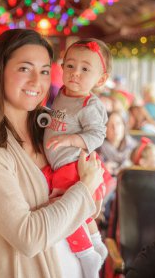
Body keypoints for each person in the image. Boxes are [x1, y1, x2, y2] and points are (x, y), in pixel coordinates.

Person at [0, 29, 104, 278]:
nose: (37, 81)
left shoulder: (48, 127)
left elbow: (92, 203)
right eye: (25, 69)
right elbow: (28, 237)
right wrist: (83, 189)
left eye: (45, 71)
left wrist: (88, 189)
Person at [43, 38, 112, 278]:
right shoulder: (62, 94)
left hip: (73, 164)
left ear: (100, 80)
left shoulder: (89, 103)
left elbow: (97, 134)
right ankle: (96, 242)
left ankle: (87, 255)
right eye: (70, 66)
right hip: (58, 164)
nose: (75, 73)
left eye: (85, 69)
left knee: (67, 210)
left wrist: (70, 140)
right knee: (78, 212)